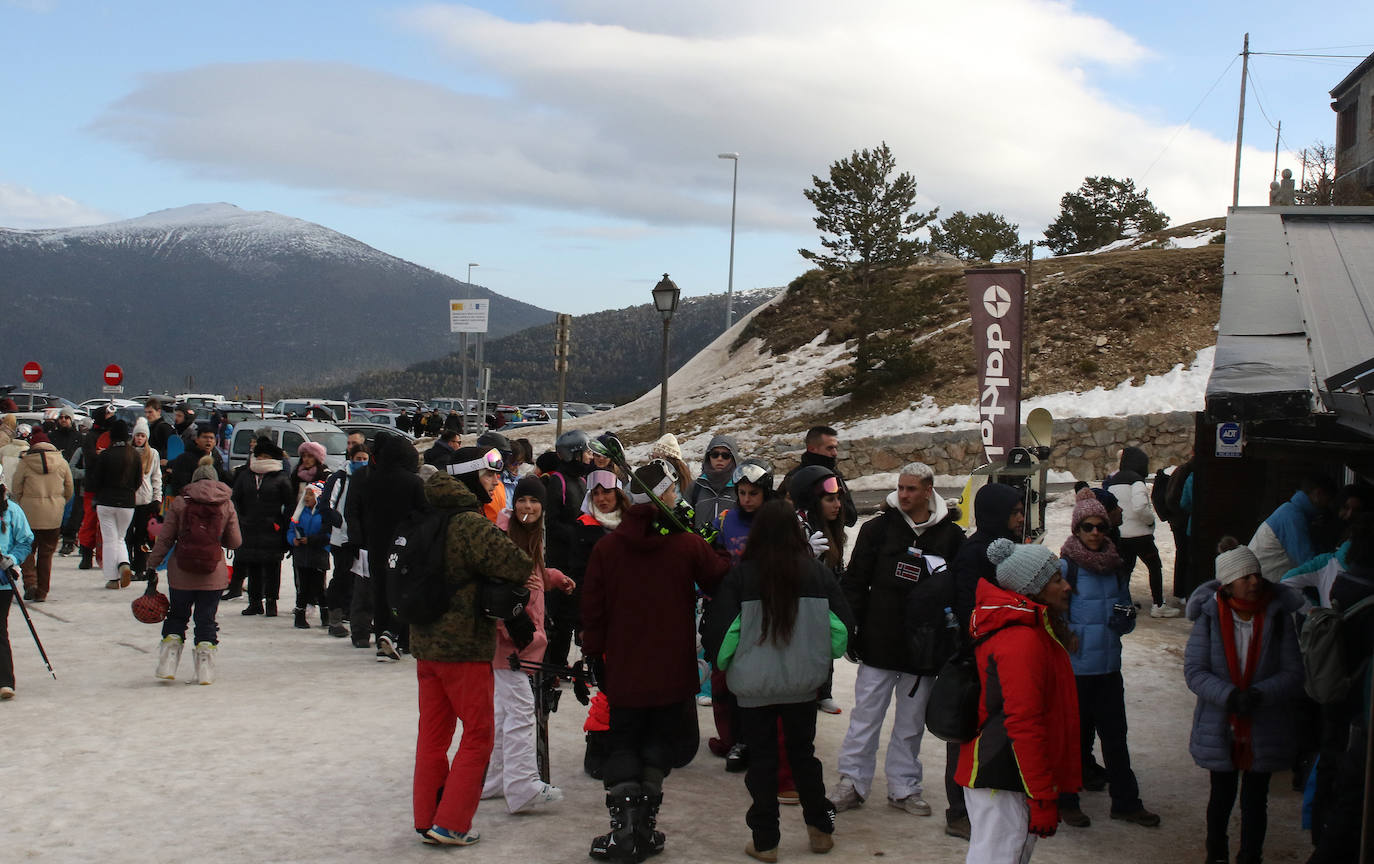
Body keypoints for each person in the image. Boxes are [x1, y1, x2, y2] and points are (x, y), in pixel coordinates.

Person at [581, 461, 731, 861]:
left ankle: (625, 830)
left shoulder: (608, 548)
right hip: (672, 669)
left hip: (625, 669)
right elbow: (719, 573)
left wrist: (593, 654)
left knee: (625, 742)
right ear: (666, 496)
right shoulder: (685, 544)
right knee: (657, 745)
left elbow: (592, 610)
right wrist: (710, 541)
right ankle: (643, 829)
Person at [705, 499, 855, 862]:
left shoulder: (742, 576)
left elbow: (721, 636)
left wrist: (728, 665)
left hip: (754, 687)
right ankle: (820, 831)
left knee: (762, 762)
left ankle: (765, 841)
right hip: (803, 685)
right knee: (803, 756)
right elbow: (841, 631)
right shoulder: (817, 575)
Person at [409, 450, 532, 846]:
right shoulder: (469, 524)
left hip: (425, 644)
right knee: (478, 734)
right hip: (464, 648)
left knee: (432, 736)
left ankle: (426, 817)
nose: (497, 482)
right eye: (489, 475)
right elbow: (517, 564)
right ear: (469, 478)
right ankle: (452, 823)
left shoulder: (423, 515)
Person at [830, 462, 964, 818]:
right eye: (900, 488)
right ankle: (852, 782)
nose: (903, 495)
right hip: (879, 640)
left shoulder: (951, 536)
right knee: (866, 716)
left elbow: (958, 592)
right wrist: (851, 628)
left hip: (924, 649)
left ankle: (904, 786)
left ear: (928, 490)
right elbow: (855, 581)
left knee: (911, 722)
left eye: (912, 489)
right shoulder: (877, 529)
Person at [957, 538, 1080, 864]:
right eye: (1056, 580)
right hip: (1001, 772)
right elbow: (1023, 722)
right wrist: (1041, 796)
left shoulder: (1034, 629)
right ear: (1034, 590)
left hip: (1009, 770)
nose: (1066, 586)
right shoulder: (1021, 639)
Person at [1184, 540, 1304, 864]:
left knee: (1255, 800)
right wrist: (1229, 696)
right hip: (1220, 723)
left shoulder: (1278, 617)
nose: (1254, 582)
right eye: (1246, 576)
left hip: (1263, 724)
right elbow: (1195, 671)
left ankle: (1251, 856)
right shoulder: (1209, 617)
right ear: (1228, 583)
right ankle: (1217, 855)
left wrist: (1259, 694)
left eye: (1257, 575)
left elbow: (1294, 672)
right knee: (1220, 797)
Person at [1056, 496, 1159, 829]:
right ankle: (1066, 801)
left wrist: (1125, 619)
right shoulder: (1065, 566)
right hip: (1076, 671)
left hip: (1109, 668)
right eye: (1088, 527)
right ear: (1077, 528)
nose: (1096, 533)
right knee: (1073, 740)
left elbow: (1125, 607)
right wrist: (1064, 633)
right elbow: (1050, 610)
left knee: (1116, 738)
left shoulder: (1116, 566)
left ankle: (1126, 803)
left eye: (1101, 527)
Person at [484, 473, 575, 813]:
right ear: (514, 502)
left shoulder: (530, 536)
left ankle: (494, 781)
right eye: (523, 499)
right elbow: (497, 593)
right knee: (522, 712)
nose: (528, 506)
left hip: (518, 642)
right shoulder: (505, 537)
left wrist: (552, 578)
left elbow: (530, 579)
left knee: (504, 713)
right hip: (511, 644)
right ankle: (522, 787)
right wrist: (517, 635)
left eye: (534, 501)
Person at [944, 481, 1024, 839]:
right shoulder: (974, 552)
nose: (1020, 518)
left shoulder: (1006, 548)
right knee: (966, 734)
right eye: (1014, 512)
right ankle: (959, 811)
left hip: (1003, 657)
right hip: (978, 659)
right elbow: (967, 607)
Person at [148, 456, 242, 684]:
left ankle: (168, 662)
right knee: (206, 619)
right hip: (213, 572)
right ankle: (204, 669)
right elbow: (235, 542)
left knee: (178, 616)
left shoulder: (180, 502)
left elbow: (166, 538)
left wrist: (152, 563)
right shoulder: (226, 503)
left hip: (182, 571)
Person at [351, 431, 427, 661]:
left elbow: (361, 512)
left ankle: (383, 632)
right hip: (405, 546)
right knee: (403, 590)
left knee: (381, 590)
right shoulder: (413, 481)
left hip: (376, 543)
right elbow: (423, 513)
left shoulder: (369, 480)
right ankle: (399, 635)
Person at [789, 464, 849, 715]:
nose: (837, 505)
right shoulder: (798, 526)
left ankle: (823, 690)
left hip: (822, 601)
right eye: (829, 499)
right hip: (798, 604)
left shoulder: (831, 528)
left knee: (824, 640)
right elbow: (782, 569)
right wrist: (806, 555)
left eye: (838, 499)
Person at [542, 429, 593, 669]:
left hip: (577, 560)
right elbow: (551, 523)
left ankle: (567, 663)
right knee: (561, 617)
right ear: (574, 454)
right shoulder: (558, 481)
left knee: (575, 615)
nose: (590, 456)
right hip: (561, 560)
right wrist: (578, 535)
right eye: (586, 452)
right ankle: (555, 664)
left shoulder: (581, 481)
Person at [1104, 447, 1174, 618]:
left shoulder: (1113, 481)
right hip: (1141, 535)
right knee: (1154, 567)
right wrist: (1150, 521)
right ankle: (1158, 604)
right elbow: (1140, 506)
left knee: (1126, 570)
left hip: (1121, 534)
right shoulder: (1136, 481)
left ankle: (1123, 602)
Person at [231, 436, 294, 617]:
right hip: (249, 528)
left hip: (272, 529)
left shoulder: (281, 478)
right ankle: (255, 602)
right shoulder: (245, 475)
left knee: (273, 567)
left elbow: (289, 505)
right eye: (259, 456)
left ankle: (272, 602)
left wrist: (282, 525)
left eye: (266, 456)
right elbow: (237, 499)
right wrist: (242, 518)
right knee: (254, 566)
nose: (261, 460)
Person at [10, 430, 72, 603]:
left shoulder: (25, 462)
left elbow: (16, 488)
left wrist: (22, 504)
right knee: (46, 554)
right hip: (53, 516)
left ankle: (30, 583)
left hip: (29, 514)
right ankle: (42, 591)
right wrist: (59, 503)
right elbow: (69, 489)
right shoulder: (62, 462)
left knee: (27, 550)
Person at [318, 433, 367, 639]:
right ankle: (334, 616)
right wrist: (339, 523)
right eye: (358, 459)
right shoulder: (339, 477)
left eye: (365, 459)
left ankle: (353, 614)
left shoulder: (369, 479)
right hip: (342, 537)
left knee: (361, 578)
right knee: (342, 577)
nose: (361, 463)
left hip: (363, 537)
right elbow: (326, 504)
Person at [1248, 474, 1339, 583]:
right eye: (1328, 500)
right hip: (1264, 586)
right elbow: (1307, 562)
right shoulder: (1293, 517)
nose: (1328, 505)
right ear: (1318, 494)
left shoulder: (1290, 510)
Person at [87, 419, 143, 590]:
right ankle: (124, 563)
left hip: (106, 501)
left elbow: (96, 481)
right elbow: (138, 481)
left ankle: (113, 578)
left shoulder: (105, 455)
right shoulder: (134, 455)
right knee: (120, 537)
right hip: (127, 503)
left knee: (110, 540)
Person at [0, 467, 36, 700]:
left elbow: (26, 541)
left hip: (2, 582)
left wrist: (11, 560)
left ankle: (4, 681)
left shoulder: (12, 511)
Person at [785, 426, 858, 527]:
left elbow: (851, 517)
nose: (835, 453)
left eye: (835, 448)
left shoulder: (835, 475)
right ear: (812, 448)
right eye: (830, 448)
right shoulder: (794, 478)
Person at [288, 481, 330, 629]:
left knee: (319, 587)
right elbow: (291, 530)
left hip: (318, 555)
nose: (307, 497)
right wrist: (293, 540)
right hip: (302, 555)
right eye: (306, 494)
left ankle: (326, 615)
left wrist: (311, 540)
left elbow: (327, 534)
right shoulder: (299, 512)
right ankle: (299, 617)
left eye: (310, 494)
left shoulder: (325, 513)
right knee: (303, 588)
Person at [127, 418, 162, 576]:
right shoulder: (128, 452)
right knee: (127, 536)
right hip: (128, 500)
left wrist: (157, 498)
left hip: (145, 500)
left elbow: (156, 477)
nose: (139, 438)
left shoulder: (153, 453)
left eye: (142, 435)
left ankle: (140, 567)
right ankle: (126, 565)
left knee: (141, 537)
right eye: (137, 435)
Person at [688, 434, 738, 532]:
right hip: (700, 545)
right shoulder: (696, 487)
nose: (719, 459)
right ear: (708, 457)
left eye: (725, 455)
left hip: (729, 546)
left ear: (733, 458)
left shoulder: (740, 489)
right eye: (715, 454)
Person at [168, 426, 230, 495]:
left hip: (212, 499)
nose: (208, 440)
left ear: (215, 442)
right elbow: (180, 484)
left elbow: (222, 478)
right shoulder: (185, 458)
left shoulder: (217, 458)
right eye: (205, 437)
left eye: (211, 438)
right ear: (197, 440)